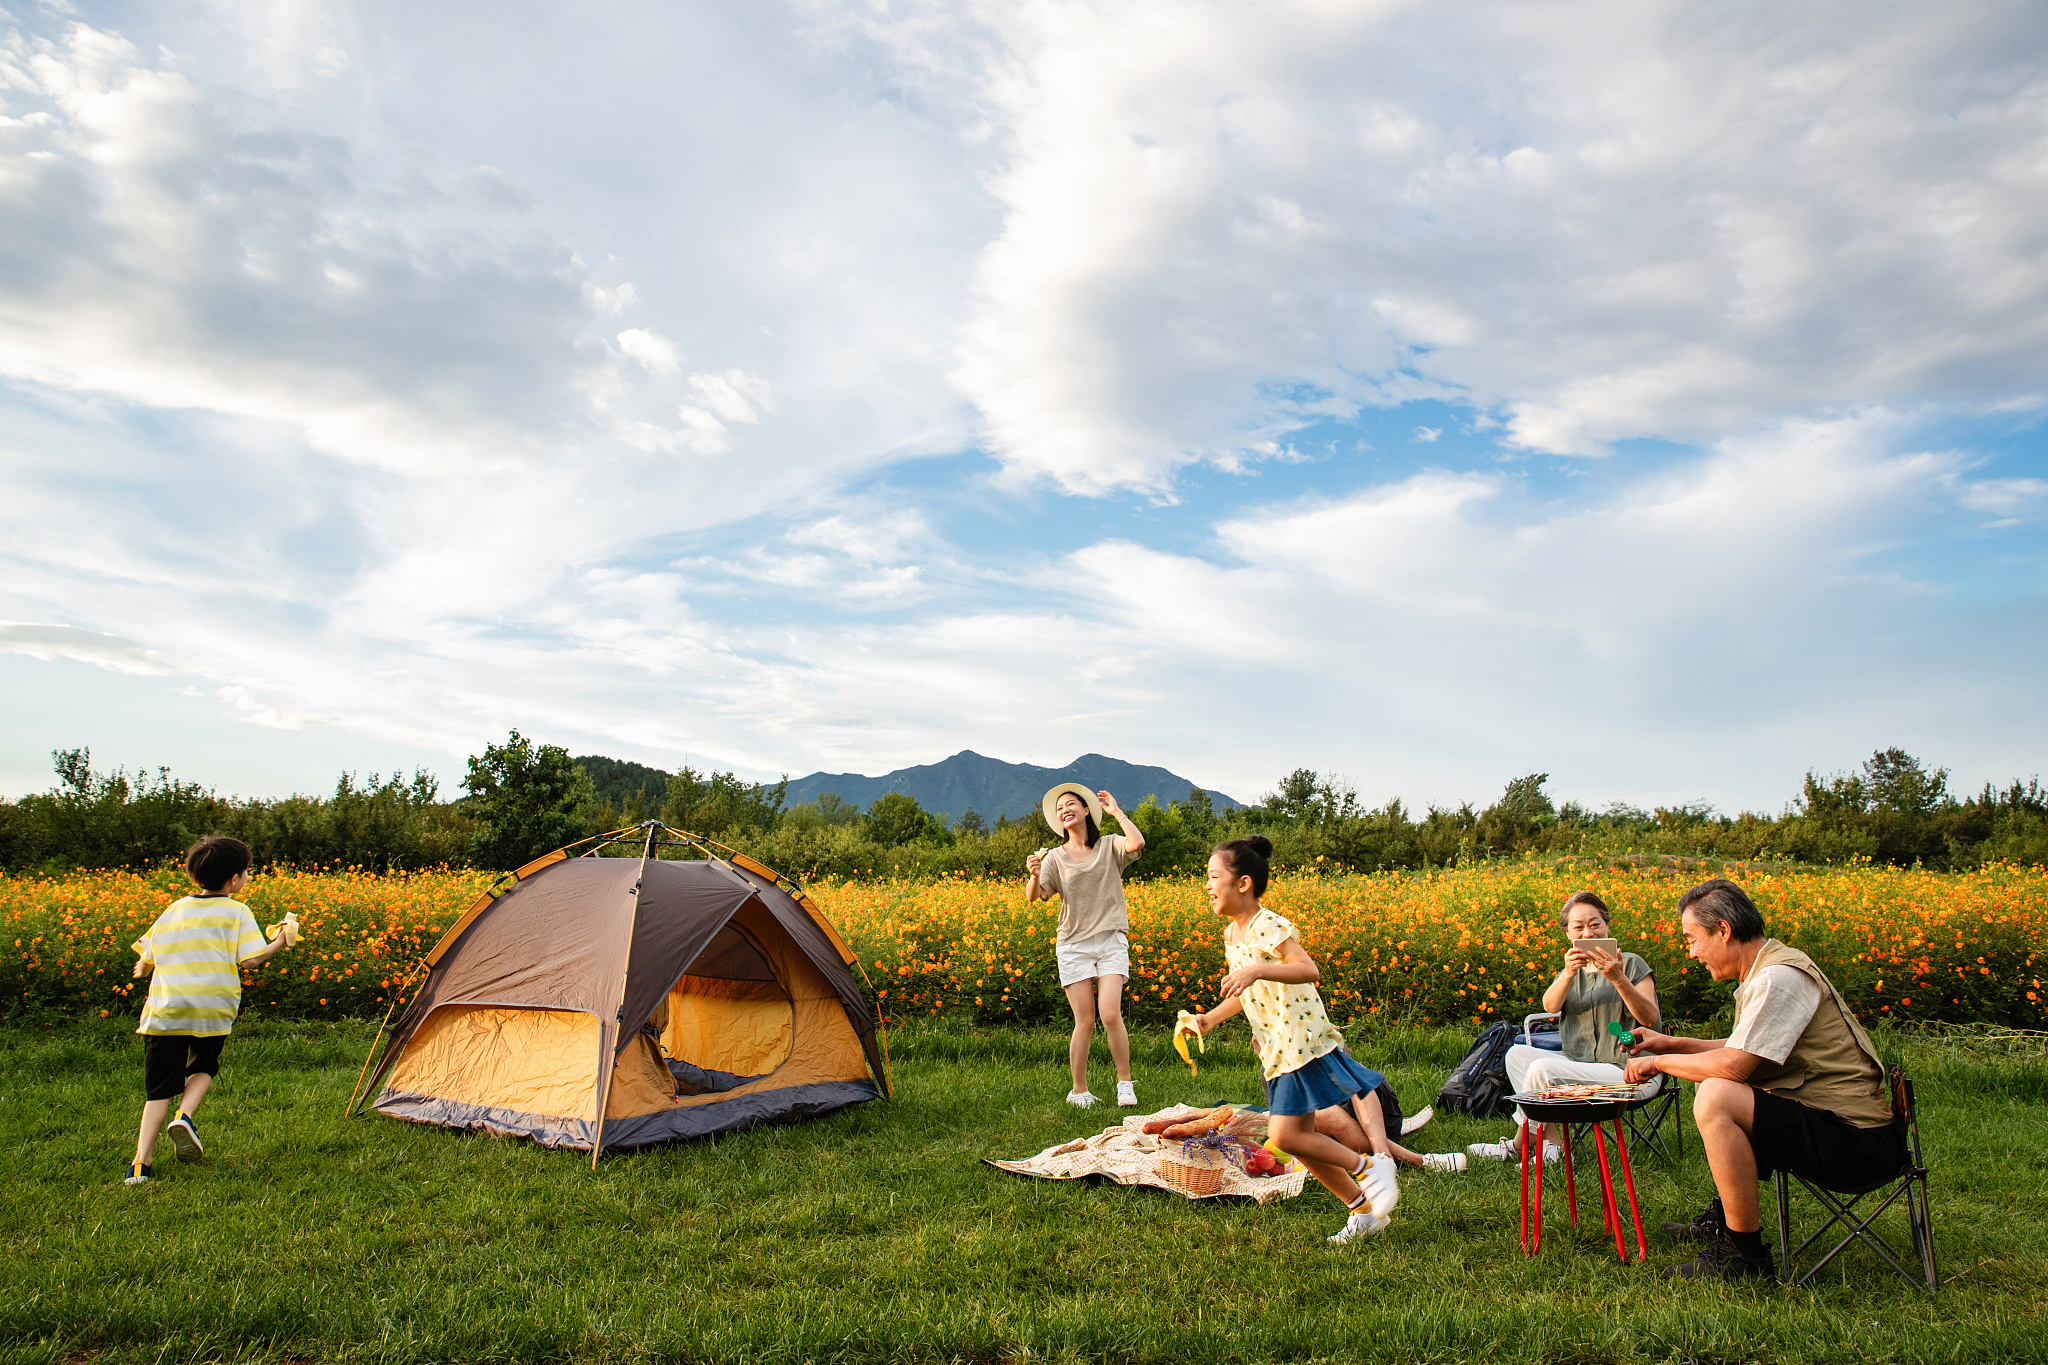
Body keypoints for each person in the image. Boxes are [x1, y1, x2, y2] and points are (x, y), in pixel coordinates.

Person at [1622, 878, 1905, 1281]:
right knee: (1714, 1083)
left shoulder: (1778, 978)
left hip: (1858, 1144)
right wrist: (1671, 1043)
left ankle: (1744, 1254)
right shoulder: (1770, 968)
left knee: (1719, 1092)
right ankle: (1727, 1218)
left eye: (1692, 939)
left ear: (1723, 930)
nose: (1691, 953)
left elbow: (1735, 1066)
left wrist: (1661, 1062)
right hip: (1841, 1127)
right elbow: (1749, 1048)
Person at [1186, 836, 1404, 1244]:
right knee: (1302, 1143)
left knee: (1284, 1137)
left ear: (1244, 883)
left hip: (1299, 1040)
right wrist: (1210, 1019)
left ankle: (1369, 1167)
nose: (1208, 886)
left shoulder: (1265, 923)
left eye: (1215, 877)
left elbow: (1307, 969)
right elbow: (1247, 992)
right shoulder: (1233, 935)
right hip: (1276, 1046)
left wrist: (1256, 972)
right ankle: (1364, 1212)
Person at [124, 835, 295, 1185]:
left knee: (158, 1089)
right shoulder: (237, 911)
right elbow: (251, 960)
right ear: (234, 878)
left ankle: (140, 1165)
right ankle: (185, 1117)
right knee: (204, 1065)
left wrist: (143, 966)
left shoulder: (174, 908)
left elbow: (148, 950)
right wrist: (281, 939)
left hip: (166, 1010)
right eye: (247, 871)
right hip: (212, 1009)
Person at [1467, 889, 1660, 1166]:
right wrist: (1569, 973)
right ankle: (1552, 1144)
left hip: (1629, 1071)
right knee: (1517, 1056)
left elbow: (1649, 1018)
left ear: (1607, 926)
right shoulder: (1572, 970)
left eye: (1595, 924)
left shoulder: (1630, 964)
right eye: (1578, 927)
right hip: (1580, 1063)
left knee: (1542, 1069)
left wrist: (1617, 978)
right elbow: (1550, 1006)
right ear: (1568, 934)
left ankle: (1517, 1146)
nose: (1588, 933)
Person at [1026, 784, 1145, 1108]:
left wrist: (1116, 812)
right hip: (1073, 944)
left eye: (1072, 804)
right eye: (1060, 807)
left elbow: (1137, 843)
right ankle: (1079, 1090)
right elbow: (1034, 896)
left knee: (1110, 1013)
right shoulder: (1053, 858)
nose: (1065, 809)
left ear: (1086, 810)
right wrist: (1035, 874)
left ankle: (1125, 1084)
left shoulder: (1109, 846)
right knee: (1085, 1020)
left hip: (1110, 939)